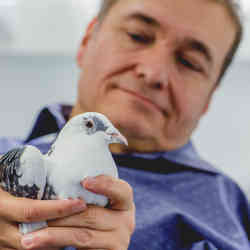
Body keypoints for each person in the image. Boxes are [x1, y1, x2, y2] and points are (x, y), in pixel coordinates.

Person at [0, 0, 249, 249]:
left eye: (189, 62)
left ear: (209, 97)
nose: (153, 72)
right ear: (86, 42)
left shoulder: (226, 212)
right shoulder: (10, 155)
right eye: (137, 36)